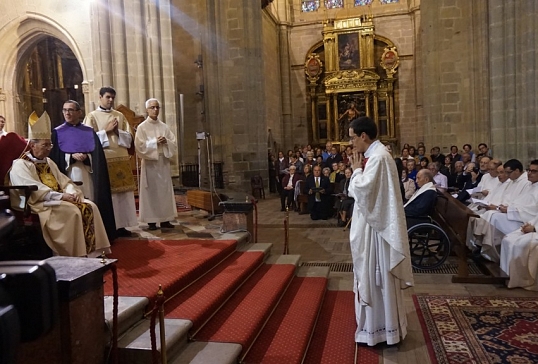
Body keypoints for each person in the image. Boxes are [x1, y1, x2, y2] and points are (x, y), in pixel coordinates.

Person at [347, 116, 413, 346]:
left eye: (352, 137)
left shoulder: (377, 158)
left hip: (377, 232)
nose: (351, 142)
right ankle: (381, 327)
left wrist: (355, 172)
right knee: (377, 278)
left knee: (376, 278)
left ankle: (379, 329)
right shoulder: (378, 155)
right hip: (376, 226)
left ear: (363, 135)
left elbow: (363, 192)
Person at [9, 111, 110, 257]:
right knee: (73, 212)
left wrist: (72, 192)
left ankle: (94, 252)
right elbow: (34, 190)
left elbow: (64, 180)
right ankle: (75, 255)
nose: (49, 149)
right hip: (38, 203)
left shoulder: (48, 162)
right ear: (32, 145)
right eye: (45, 145)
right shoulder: (20, 165)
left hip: (57, 199)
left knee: (91, 206)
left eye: (50, 145)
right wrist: (61, 197)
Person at [50, 100, 116, 241]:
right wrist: (70, 156)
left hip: (87, 174)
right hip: (68, 175)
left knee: (90, 201)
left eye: (71, 110)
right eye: (65, 110)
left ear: (79, 112)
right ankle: (75, 236)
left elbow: (97, 157)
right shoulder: (57, 132)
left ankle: (94, 236)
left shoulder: (89, 132)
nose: (67, 113)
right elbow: (55, 158)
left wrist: (87, 157)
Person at [83, 86, 138, 237]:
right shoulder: (92, 116)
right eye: (108, 97)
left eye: (113, 97)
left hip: (121, 158)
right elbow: (88, 140)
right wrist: (105, 131)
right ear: (100, 97)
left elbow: (129, 138)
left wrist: (117, 132)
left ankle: (123, 225)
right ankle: (110, 225)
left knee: (123, 194)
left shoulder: (119, 115)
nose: (111, 100)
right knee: (110, 194)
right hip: (104, 160)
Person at [134, 98, 178, 230]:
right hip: (150, 164)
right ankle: (151, 221)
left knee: (164, 192)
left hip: (162, 162)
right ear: (147, 110)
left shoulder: (164, 126)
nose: (155, 110)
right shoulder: (142, 127)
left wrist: (166, 142)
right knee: (151, 192)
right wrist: (154, 142)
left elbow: (173, 143)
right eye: (152, 107)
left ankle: (165, 219)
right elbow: (139, 146)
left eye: (157, 107)